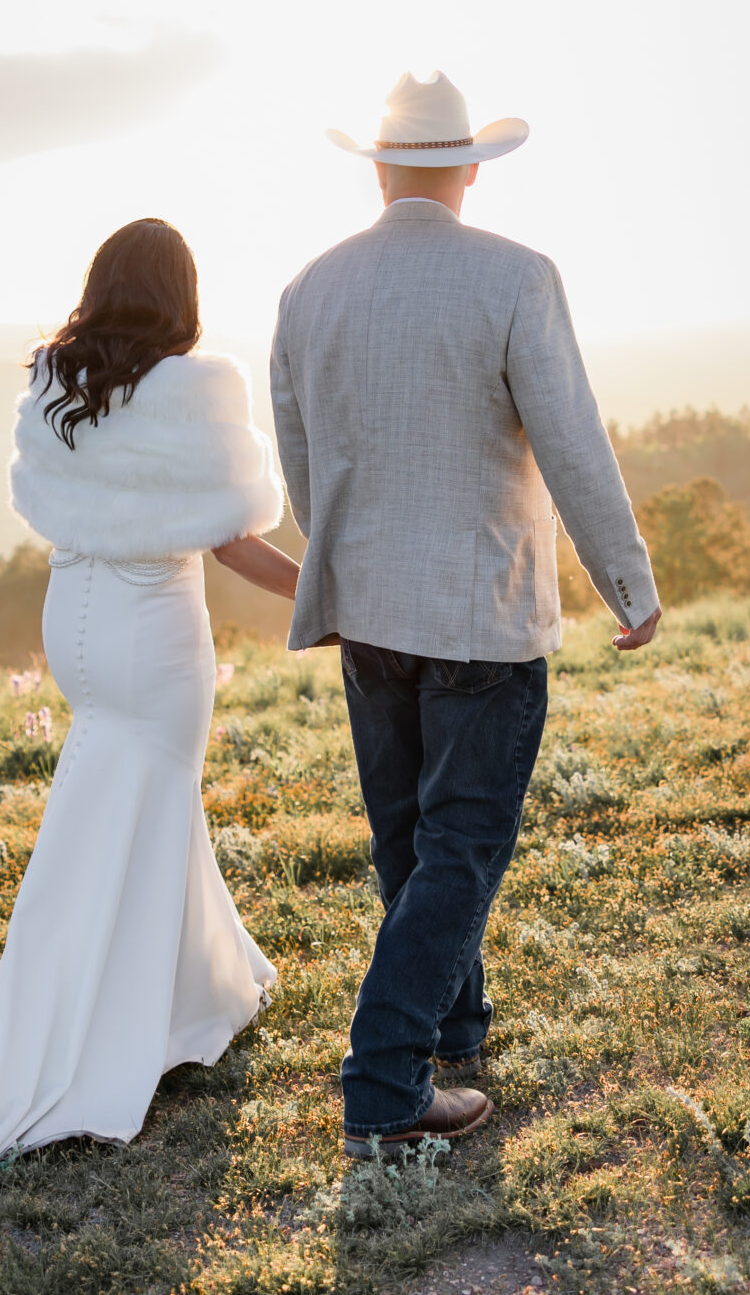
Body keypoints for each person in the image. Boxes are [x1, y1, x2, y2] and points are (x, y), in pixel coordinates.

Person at [270, 72, 661, 1159]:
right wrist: (625, 581)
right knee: (461, 846)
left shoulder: (309, 287)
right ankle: (385, 1083)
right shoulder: (515, 276)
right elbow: (571, 441)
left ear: (381, 168)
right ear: (470, 170)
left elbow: (300, 462)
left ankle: (455, 1026)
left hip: (369, 609)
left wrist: (343, 558)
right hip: (481, 607)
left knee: (410, 839)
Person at [0, 218, 300, 1179]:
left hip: (72, 616)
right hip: (152, 629)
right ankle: (118, 1033)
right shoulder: (199, 389)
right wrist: (324, 595)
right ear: (181, 296)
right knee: (153, 796)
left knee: (143, 801)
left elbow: (47, 499)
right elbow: (234, 539)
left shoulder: (56, 373)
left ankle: (200, 988)